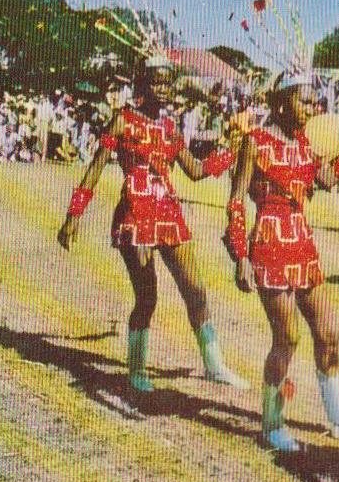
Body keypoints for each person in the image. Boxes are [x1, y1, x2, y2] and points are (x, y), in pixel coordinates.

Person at [57, 64, 248, 393]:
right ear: (143, 85)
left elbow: (196, 171)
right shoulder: (122, 121)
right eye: (157, 83)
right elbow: (94, 170)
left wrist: (230, 151)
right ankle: (136, 369)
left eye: (168, 84)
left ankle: (215, 366)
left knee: (196, 292)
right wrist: (73, 216)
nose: (164, 90)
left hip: (168, 214)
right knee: (147, 298)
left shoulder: (171, 128)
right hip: (134, 215)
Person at [225, 75, 339, 453]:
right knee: (287, 338)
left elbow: (326, 178)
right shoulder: (255, 143)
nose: (312, 109)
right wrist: (240, 255)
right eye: (305, 101)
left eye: (314, 102)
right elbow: (235, 200)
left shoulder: (302, 145)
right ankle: (272, 422)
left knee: (328, 335)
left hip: (302, 244)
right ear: (282, 103)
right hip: (269, 243)